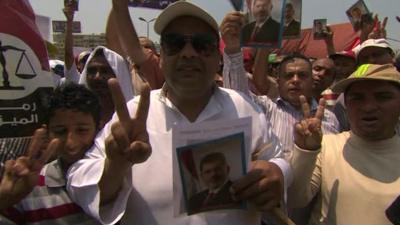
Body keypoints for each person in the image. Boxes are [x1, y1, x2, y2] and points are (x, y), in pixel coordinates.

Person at [67, 1, 290, 225]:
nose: (188, 53)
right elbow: (78, 180)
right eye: (175, 44)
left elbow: (279, 160)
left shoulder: (244, 108)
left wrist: (277, 173)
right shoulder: (134, 114)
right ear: (161, 56)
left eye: (202, 45)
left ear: (217, 57)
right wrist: (115, 167)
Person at [289, 63, 400, 225]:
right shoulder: (326, 147)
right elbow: (295, 199)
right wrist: (305, 151)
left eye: (382, 97)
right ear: (346, 105)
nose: (368, 107)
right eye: (357, 98)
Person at [221, 12, 339, 159]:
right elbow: (237, 97)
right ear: (278, 80)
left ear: (311, 80)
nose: (295, 80)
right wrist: (233, 49)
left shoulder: (330, 118)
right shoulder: (265, 108)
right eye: (288, 76)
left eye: (302, 75)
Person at [0, 83, 102, 224]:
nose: (70, 143)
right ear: (47, 132)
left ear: (99, 129)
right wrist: (5, 199)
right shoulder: (28, 186)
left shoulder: (115, 176)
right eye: (60, 131)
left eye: (82, 130)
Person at [79, 46, 134, 128]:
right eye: (92, 71)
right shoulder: (77, 119)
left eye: (105, 71)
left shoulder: (135, 115)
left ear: (119, 75)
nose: (97, 77)